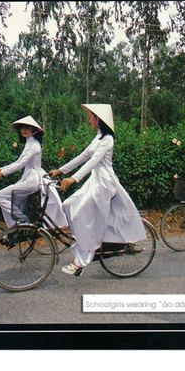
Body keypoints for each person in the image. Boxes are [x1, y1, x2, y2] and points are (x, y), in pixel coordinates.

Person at [49, 104, 146, 276]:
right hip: (95, 181)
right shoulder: (98, 138)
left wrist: (73, 178)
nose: (89, 120)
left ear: (100, 120)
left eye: (91, 117)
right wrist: (61, 170)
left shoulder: (108, 140)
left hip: (104, 184)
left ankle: (81, 260)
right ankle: (83, 242)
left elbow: (92, 162)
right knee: (68, 204)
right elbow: (83, 156)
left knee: (83, 214)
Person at [0, 116, 67, 232]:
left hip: (32, 180)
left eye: (27, 128)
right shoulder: (29, 143)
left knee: (0, 196)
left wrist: (1, 174)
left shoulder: (34, 145)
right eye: (22, 128)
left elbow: (21, 164)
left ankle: (22, 224)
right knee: (14, 202)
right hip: (28, 177)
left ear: (34, 130)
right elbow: (18, 161)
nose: (24, 130)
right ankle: (12, 232)